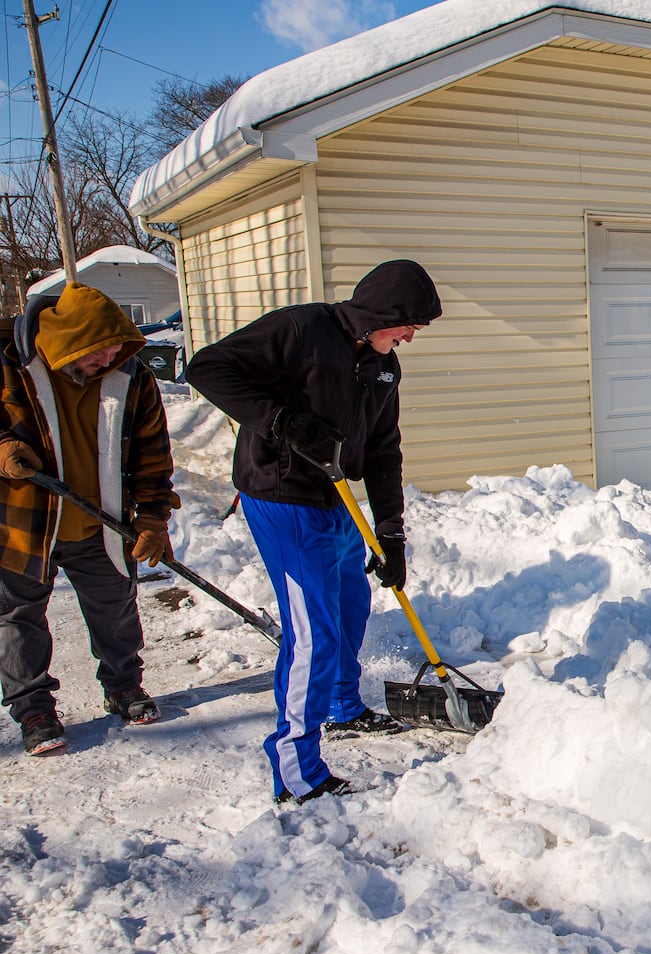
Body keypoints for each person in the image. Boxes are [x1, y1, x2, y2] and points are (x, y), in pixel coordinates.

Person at [186, 260, 441, 804]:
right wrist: (282, 421)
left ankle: (343, 706)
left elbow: (383, 450)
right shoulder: (300, 330)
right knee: (312, 632)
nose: (410, 336)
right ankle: (296, 768)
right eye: (408, 324)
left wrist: (390, 533)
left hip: (339, 501)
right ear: (381, 313)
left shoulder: (384, 367)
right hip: (283, 500)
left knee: (351, 605)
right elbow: (207, 367)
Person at [0, 282, 179, 757]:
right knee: (18, 618)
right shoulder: (8, 367)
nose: (110, 363)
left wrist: (153, 518)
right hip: (22, 524)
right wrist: (2, 448)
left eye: (118, 352)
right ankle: (33, 707)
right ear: (68, 345)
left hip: (99, 521)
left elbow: (152, 455)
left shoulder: (131, 376)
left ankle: (123, 685)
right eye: (101, 354)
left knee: (115, 606)